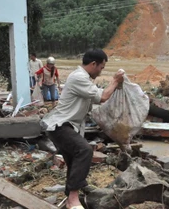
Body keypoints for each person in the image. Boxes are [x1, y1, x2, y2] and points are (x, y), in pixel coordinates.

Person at [41, 49, 124, 209]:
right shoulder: (79, 77)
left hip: (65, 126)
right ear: (93, 64)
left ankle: (70, 198)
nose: (101, 72)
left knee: (73, 161)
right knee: (84, 150)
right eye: (101, 67)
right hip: (60, 125)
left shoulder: (83, 79)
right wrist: (114, 81)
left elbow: (98, 100)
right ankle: (73, 199)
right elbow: (103, 97)